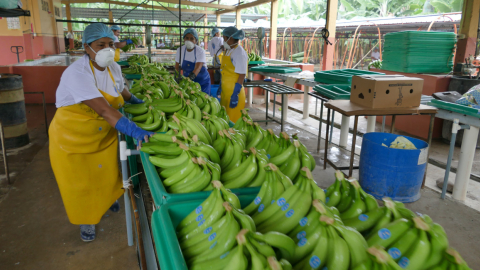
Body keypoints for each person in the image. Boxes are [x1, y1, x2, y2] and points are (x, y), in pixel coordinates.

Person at [49, 23, 152, 242]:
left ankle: (106, 199)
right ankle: (86, 221)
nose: (107, 48)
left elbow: (120, 90)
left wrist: (135, 100)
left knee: (105, 172)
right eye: (101, 45)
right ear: (87, 47)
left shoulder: (113, 66)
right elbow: (105, 109)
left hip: (101, 133)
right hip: (72, 137)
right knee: (80, 182)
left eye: (110, 44)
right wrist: (133, 129)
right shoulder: (77, 73)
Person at [218, 26, 248, 123]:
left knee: (233, 123)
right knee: (224, 120)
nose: (223, 40)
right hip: (225, 92)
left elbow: (242, 74)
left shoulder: (239, 52)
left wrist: (235, 94)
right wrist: (221, 85)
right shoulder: (229, 50)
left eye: (224, 38)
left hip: (234, 94)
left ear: (230, 38)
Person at [175, 28, 211, 95]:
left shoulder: (200, 51)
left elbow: (197, 68)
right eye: (187, 38)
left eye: (192, 38)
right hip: (187, 80)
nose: (189, 40)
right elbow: (177, 67)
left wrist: (187, 81)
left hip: (202, 81)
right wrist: (177, 77)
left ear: (196, 41)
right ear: (184, 39)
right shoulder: (180, 50)